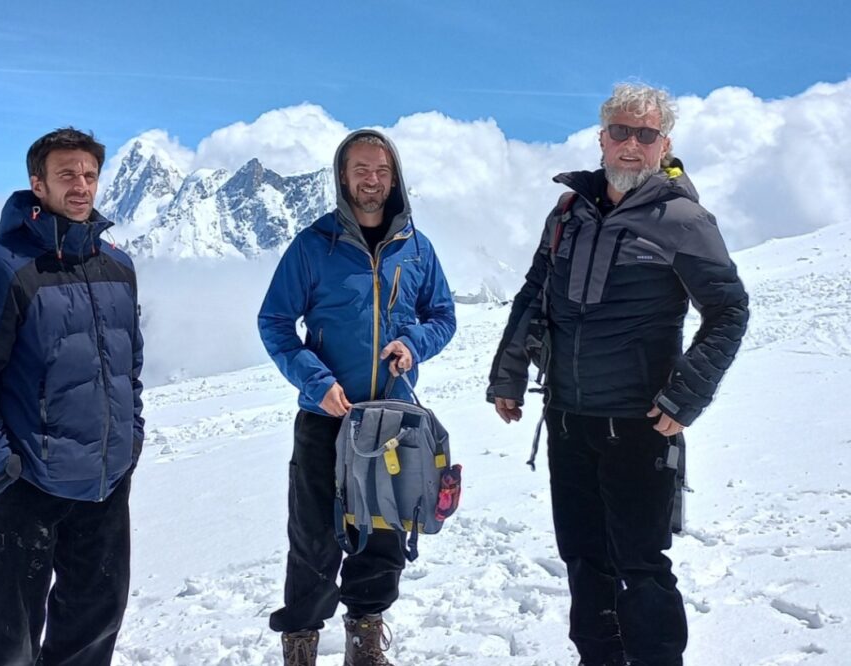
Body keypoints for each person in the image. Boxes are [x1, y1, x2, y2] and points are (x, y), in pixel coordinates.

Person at [487, 84, 749, 666]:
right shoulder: (567, 213)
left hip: (640, 423)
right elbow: (535, 294)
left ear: (665, 145)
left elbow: (729, 310)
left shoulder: (683, 220)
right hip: (568, 418)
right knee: (582, 557)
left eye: (646, 135)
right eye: (621, 132)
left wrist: (686, 396)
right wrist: (508, 374)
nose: (632, 145)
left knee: (640, 564)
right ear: (602, 138)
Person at [0, 127, 144, 665]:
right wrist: (1, 477)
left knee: (93, 629)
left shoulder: (118, 267)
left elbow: (130, 368)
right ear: (38, 183)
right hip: (28, 486)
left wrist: (129, 442)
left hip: (105, 482)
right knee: (12, 644)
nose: (81, 186)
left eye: (89, 174)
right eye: (66, 174)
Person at [258, 129, 456, 665]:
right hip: (326, 418)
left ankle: (366, 634)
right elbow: (275, 321)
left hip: (391, 419)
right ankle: (301, 640)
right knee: (315, 537)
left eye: (381, 171)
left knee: (385, 531)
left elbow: (443, 316)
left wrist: (414, 345)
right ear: (342, 177)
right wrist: (316, 383)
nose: (372, 181)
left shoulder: (416, 248)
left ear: (394, 178)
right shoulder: (312, 245)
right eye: (361, 170)